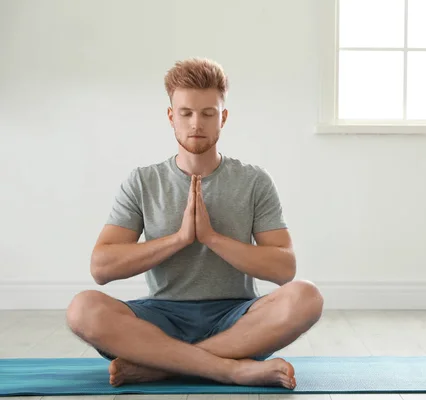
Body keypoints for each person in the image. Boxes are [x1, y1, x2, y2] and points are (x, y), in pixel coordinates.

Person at [66, 57, 324, 390]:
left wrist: (212, 238)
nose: (196, 123)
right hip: (160, 317)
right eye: (186, 113)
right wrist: (179, 239)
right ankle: (229, 370)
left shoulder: (254, 180)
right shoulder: (143, 181)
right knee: (82, 309)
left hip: (237, 321)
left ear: (223, 118)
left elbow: (283, 268)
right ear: (171, 117)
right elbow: (101, 268)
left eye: (207, 113)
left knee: (307, 297)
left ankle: (162, 367)